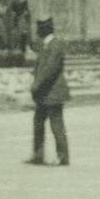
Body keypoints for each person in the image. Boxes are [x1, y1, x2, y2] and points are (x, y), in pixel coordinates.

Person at [26, 16, 70, 165]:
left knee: (56, 124)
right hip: (44, 93)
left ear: (45, 29)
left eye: (39, 28)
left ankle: (62, 156)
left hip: (53, 92)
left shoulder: (55, 45)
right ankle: (38, 155)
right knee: (38, 123)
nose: (37, 31)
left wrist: (35, 84)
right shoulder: (45, 45)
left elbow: (49, 69)